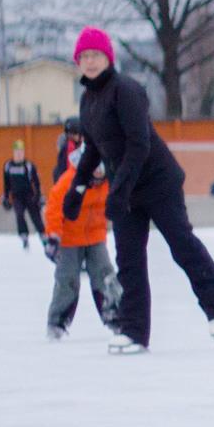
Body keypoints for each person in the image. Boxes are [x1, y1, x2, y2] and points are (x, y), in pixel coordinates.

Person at [62, 26, 214, 354]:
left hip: (157, 182)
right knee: (128, 258)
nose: (90, 61)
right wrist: (78, 189)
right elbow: (94, 151)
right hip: (126, 188)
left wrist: (118, 191)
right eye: (84, 56)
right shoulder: (88, 101)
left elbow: (138, 144)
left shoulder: (126, 90)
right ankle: (134, 331)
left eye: (96, 55)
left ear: (108, 57)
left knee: (181, 243)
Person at [42, 137, 122, 339]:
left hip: (95, 236)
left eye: (101, 174)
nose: (97, 178)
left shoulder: (107, 182)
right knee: (67, 279)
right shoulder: (70, 180)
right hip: (69, 238)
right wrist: (53, 236)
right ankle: (57, 321)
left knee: (105, 274)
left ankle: (115, 314)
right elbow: (53, 207)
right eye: (94, 173)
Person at [1, 140, 45, 249]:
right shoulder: (8, 166)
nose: (19, 154)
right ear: (13, 152)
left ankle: (44, 237)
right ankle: (24, 236)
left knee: (36, 217)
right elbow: (6, 184)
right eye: (17, 151)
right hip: (17, 196)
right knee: (19, 214)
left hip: (29, 195)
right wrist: (6, 196)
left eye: (21, 151)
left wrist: (39, 196)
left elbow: (36, 182)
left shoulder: (29, 166)